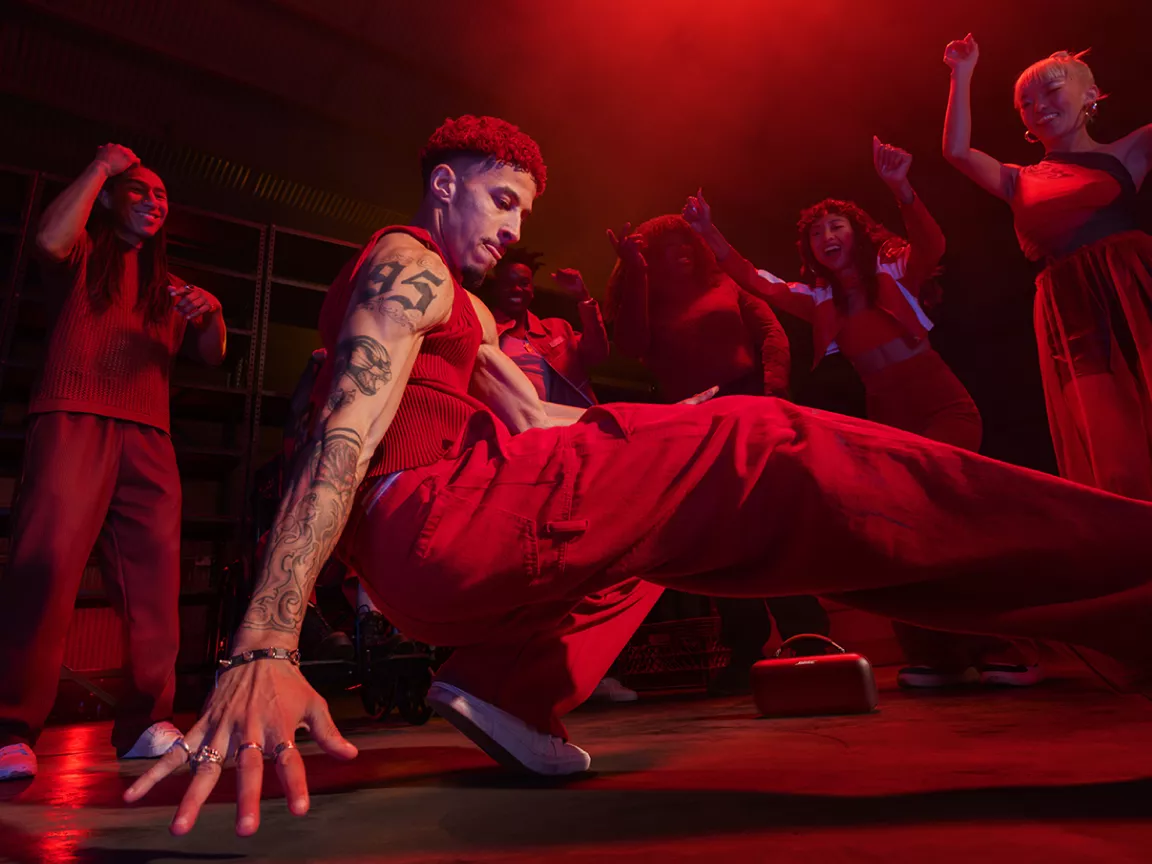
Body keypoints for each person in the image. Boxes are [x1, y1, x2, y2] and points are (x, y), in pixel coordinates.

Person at [126, 115, 1152, 839]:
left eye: (523, 211)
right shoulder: (410, 263)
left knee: (673, 509)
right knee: (776, 448)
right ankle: (1130, 570)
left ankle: (510, 693)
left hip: (448, 551)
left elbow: (541, 421)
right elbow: (342, 432)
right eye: (499, 200)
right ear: (443, 185)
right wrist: (264, 637)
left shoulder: (471, 316)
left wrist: (675, 424)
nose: (512, 228)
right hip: (435, 520)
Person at [682, 140, 1037, 689]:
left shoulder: (897, 269)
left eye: (836, 227)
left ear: (857, 233)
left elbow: (932, 242)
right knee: (901, 536)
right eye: (817, 231)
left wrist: (901, 188)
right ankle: (935, 653)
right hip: (887, 413)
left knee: (951, 524)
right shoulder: (817, 298)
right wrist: (708, 232)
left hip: (941, 404)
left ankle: (998, 645)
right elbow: (755, 279)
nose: (827, 237)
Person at [0, 144, 227, 781]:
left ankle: (145, 723)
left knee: (155, 585)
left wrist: (211, 312)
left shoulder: (169, 288)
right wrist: (101, 166)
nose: (154, 202)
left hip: (149, 436)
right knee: (44, 569)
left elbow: (211, 353)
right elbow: (46, 237)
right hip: (73, 416)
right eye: (140, 191)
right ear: (107, 199)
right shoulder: (82, 254)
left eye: (161, 196)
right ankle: (12, 728)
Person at [606, 212, 829, 692]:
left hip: (750, 405)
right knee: (720, 535)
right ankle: (743, 648)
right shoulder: (650, 301)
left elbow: (771, 334)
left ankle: (807, 638)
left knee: (774, 521)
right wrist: (635, 270)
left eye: (686, 245)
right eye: (667, 251)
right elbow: (629, 343)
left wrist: (774, 393)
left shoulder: (728, 285)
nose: (681, 254)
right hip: (690, 422)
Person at [942, 34, 1152, 499]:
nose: (1038, 107)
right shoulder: (1017, 179)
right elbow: (956, 152)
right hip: (1070, 311)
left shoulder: (1130, 150)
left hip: (1134, 290)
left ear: (1091, 95)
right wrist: (962, 72)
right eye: (1026, 103)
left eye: (1051, 92)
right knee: (1108, 439)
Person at [485, 248, 635, 702]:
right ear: (494, 285)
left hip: (573, 444)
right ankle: (523, 673)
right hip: (518, 452)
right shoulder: (484, 330)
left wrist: (584, 300)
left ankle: (588, 671)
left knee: (591, 552)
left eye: (527, 282)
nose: (520, 288)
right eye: (511, 280)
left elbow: (597, 353)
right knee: (533, 560)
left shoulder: (554, 330)